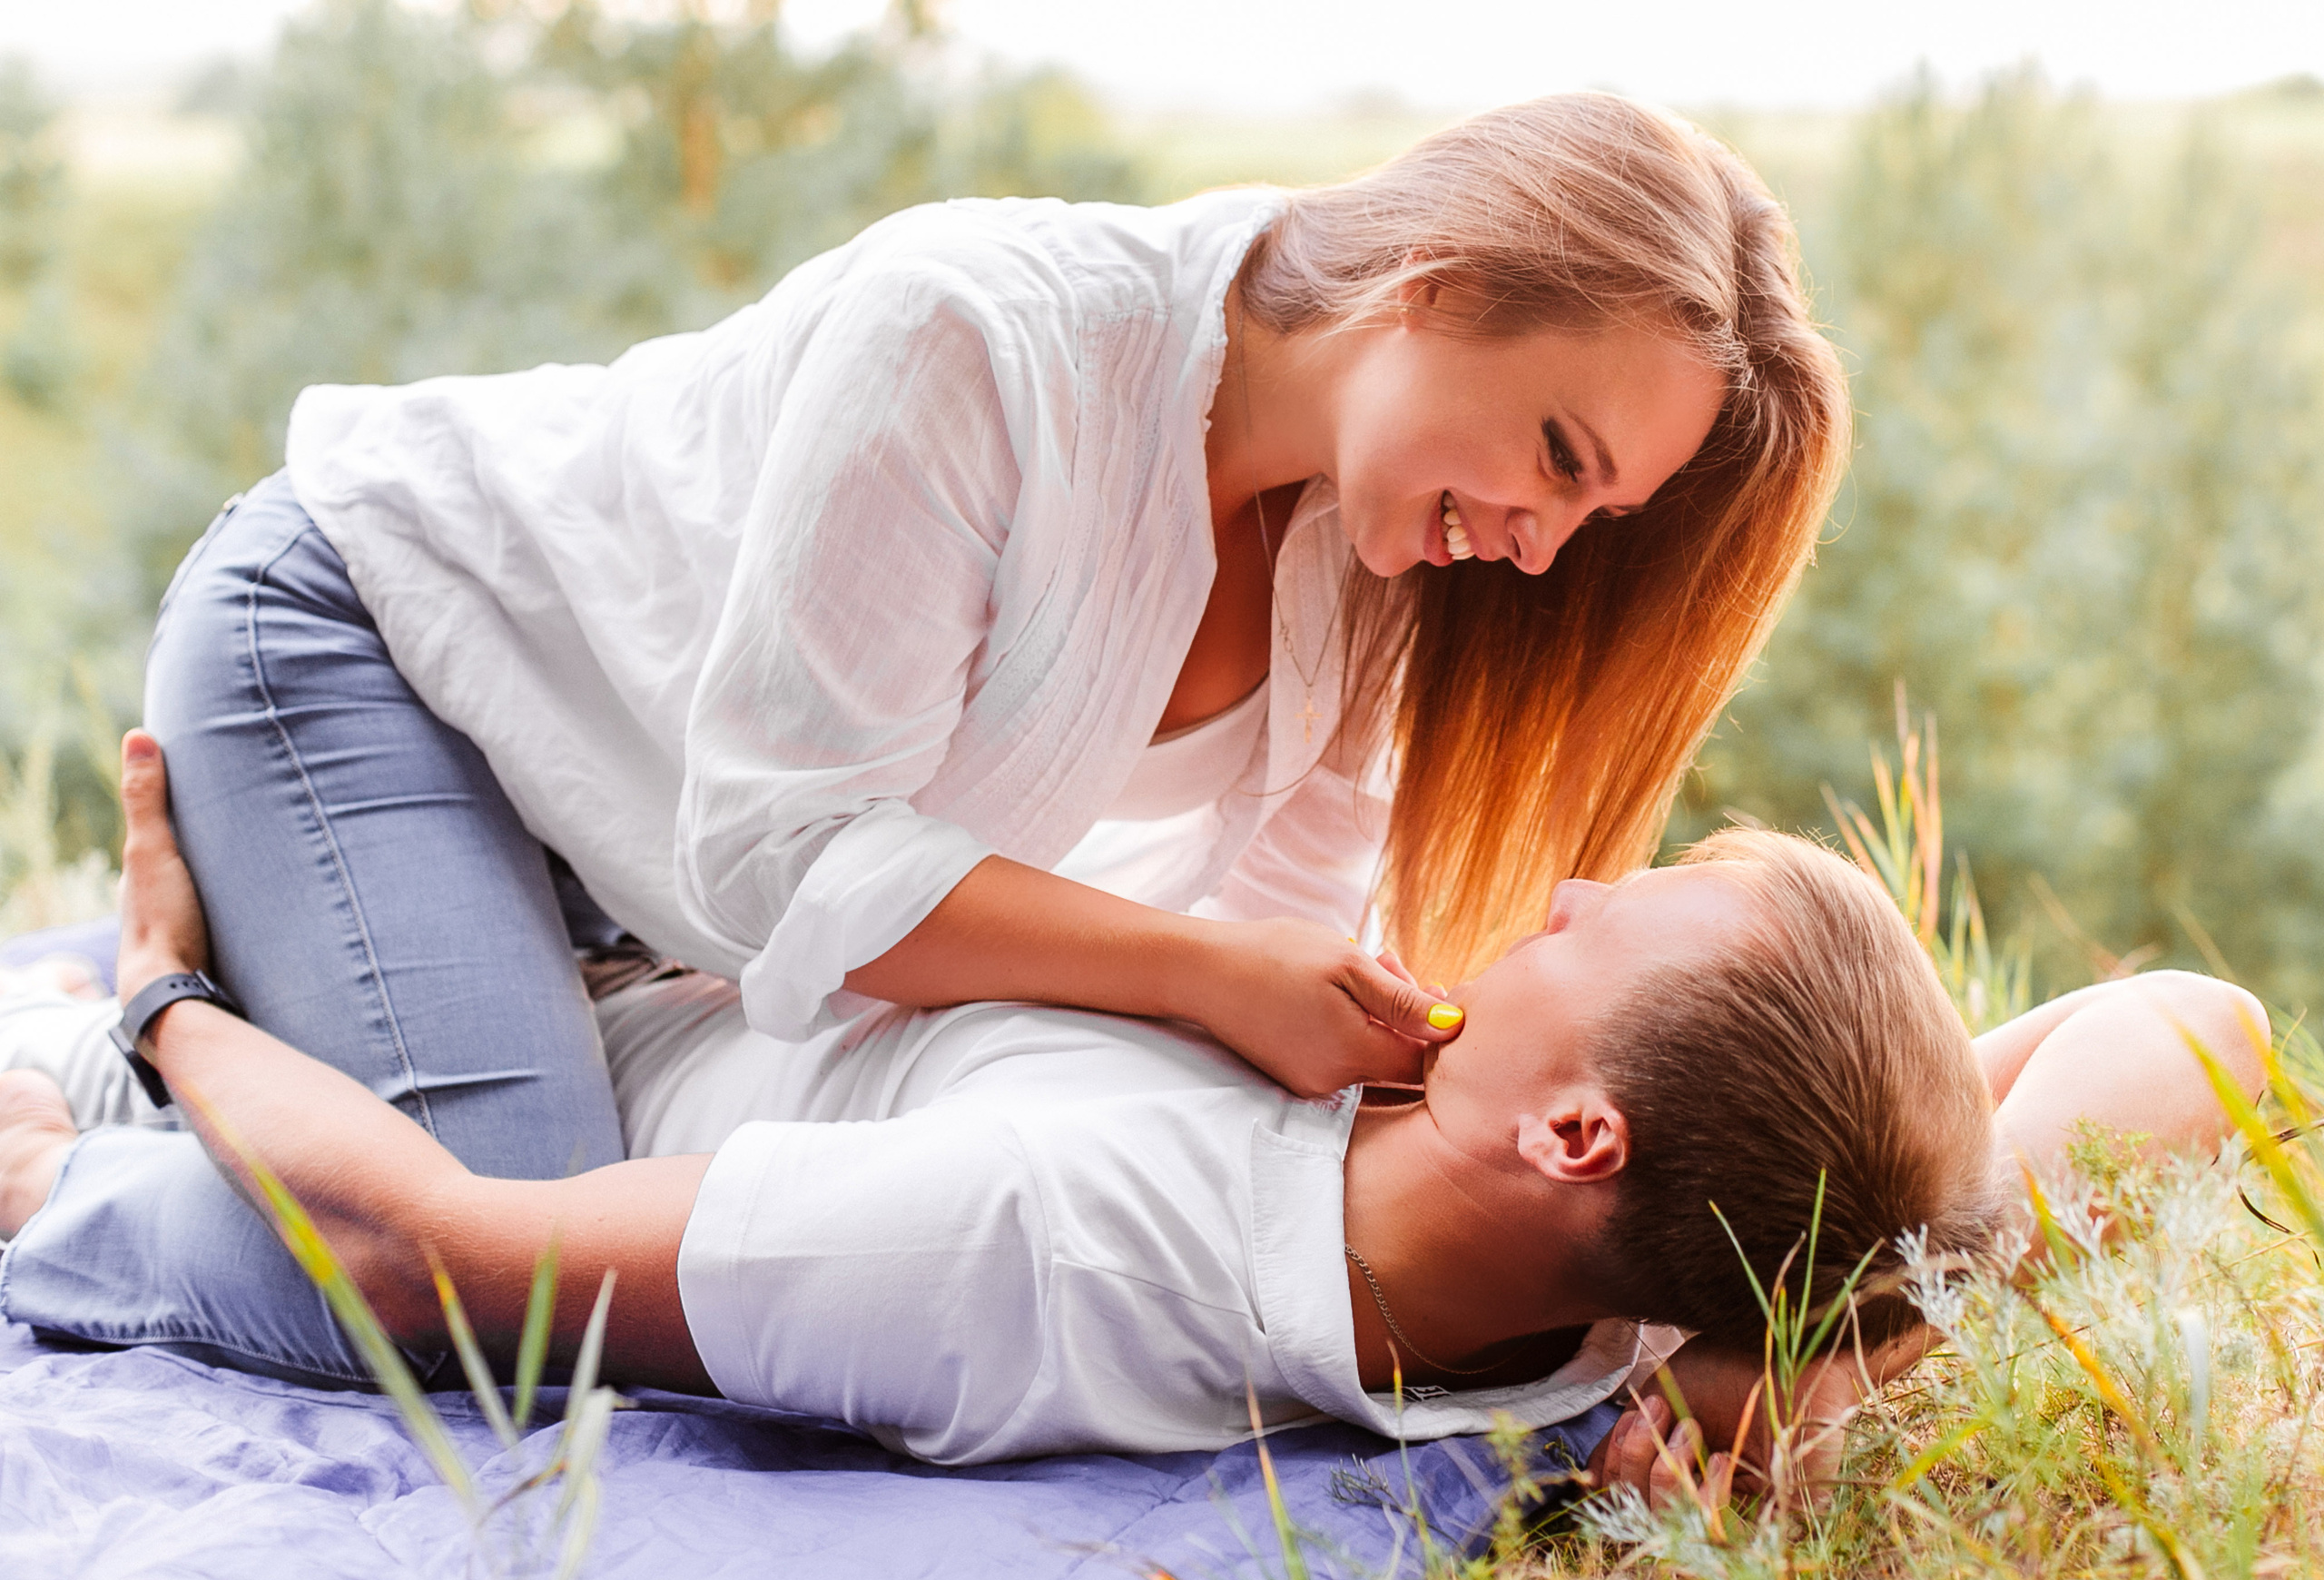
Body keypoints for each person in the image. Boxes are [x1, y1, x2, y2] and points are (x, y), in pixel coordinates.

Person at [2, 93, 1851, 1390]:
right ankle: (96, 1093)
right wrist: (1208, 975)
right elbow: (781, 861)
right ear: (1437, 281)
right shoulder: (982, 336)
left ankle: (290, 1003)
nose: (1536, 545)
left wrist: (1659, 1336)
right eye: (1553, 459)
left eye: (1584, 520)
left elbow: (1276, 951)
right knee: (489, 1294)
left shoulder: (1372, 566)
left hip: (621, 865)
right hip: (373, 648)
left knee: (602, 1232)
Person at [0, 736, 2266, 1482]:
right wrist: (1822, 1361)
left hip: (489, 1001)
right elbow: (2196, 1023)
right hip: (696, 882)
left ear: (1574, 1131)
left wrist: (172, 987)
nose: (1562, 880)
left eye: (1610, 917)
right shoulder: (1609, 1298)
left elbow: (421, 1252)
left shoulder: (1044, 1231)